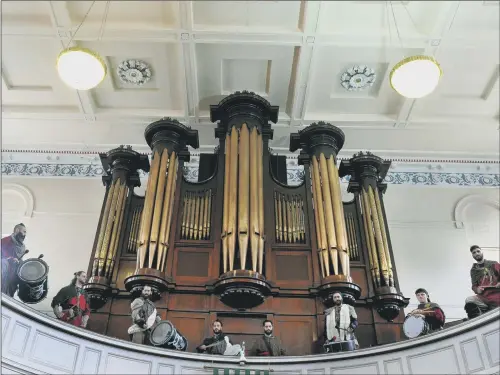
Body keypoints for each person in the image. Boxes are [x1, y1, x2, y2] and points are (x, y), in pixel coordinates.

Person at [464, 245, 500, 319]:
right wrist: (477, 290)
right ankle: (479, 316)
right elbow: (474, 286)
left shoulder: (493, 264)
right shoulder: (473, 270)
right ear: (472, 255)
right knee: (469, 300)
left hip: (496, 294)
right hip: (484, 297)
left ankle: (487, 311)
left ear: (482, 252)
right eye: (474, 252)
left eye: (478, 251)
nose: (476, 253)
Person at [1, 223, 27, 297]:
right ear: (17, 230)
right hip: (4, 271)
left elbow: (20, 259)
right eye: (24, 231)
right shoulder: (5, 241)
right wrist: (10, 259)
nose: (25, 234)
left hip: (12, 276)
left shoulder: (22, 247)